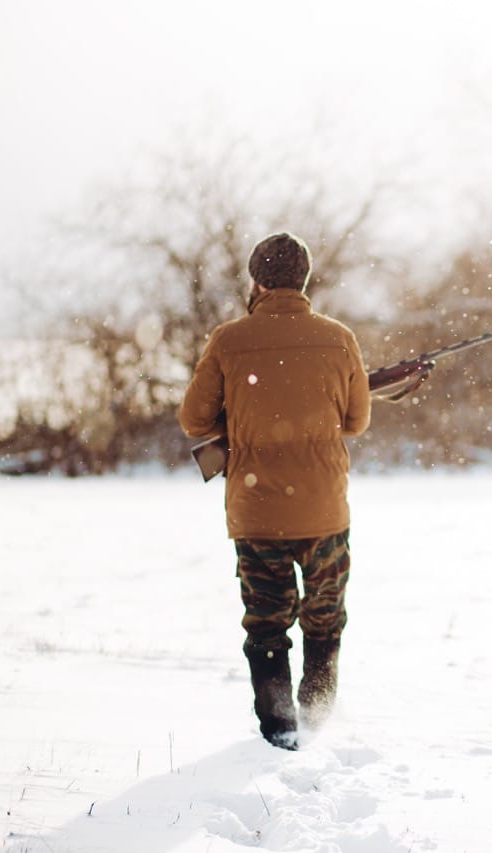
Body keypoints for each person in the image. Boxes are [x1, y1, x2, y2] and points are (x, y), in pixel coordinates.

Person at [178, 232, 372, 750]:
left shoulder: (227, 339)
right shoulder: (339, 336)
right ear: (304, 279)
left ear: (256, 280)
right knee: (325, 616)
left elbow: (193, 419)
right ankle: (318, 710)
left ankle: (280, 729)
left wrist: (242, 411)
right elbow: (356, 421)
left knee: (266, 623)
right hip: (324, 510)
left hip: (256, 509)